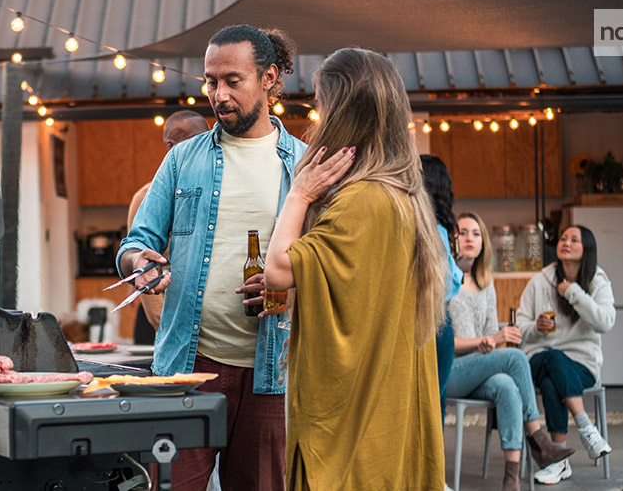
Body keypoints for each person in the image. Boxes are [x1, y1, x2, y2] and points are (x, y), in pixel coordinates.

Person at [117, 24, 304, 491]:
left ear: (269, 78)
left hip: (273, 371)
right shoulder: (182, 160)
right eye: (210, 81)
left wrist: (291, 284)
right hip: (188, 366)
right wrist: (140, 262)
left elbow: (328, 264)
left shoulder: (303, 166)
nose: (218, 95)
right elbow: (133, 243)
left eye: (232, 81)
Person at [260, 47, 446, 490]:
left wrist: (299, 195)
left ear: (347, 113)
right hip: (387, 412)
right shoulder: (402, 195)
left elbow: (278, 270)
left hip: (352, 427)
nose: (316, 117)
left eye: (321, 106)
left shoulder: (362, 200)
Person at [449, 212, 576, 490]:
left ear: (484, 243)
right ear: (452, 238)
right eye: (462, 232)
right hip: (451, 371)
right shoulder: (445, 280)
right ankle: (539, 440)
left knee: (507, 385)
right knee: (516, 356)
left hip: (480, 370)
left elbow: (491, 337)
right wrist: (487, 340)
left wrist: (491, 340)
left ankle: (511, 478)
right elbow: (439, 344)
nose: (469, 238)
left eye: (476, 233)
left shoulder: (486, 284)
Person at [515, 225, 616, 485]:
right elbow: (518, 328)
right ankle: (585, 428)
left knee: (552, 382)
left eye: (574, 240)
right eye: (563, 238)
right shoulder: (540, 280)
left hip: (581, 364)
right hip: (539, 356)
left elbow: (605, 322)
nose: (566, 243)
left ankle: (559, 462)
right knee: (554, 358)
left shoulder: (597, 280)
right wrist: (535, 327)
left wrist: (573, 292)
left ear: (587, 249)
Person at [126, 110, 207, 343]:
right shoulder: (146, 197)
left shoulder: (213, 191)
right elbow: (144, 267)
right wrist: (171, 329)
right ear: (172, 146)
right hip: (164, 319)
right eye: (194, 140)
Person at [420, 155, 464, 412]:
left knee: (431, 403)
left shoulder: (422, 226)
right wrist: (459, 272)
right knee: (435, 404)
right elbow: (447, 286)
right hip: (437, 323)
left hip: (427, 322)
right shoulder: (436, 229)